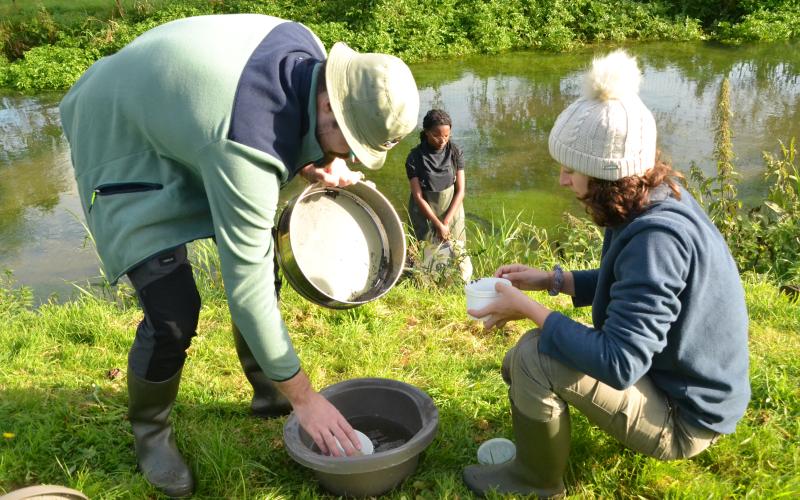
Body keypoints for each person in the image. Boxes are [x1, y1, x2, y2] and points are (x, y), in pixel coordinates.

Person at [58, 14, 419, 497]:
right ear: (329, 104)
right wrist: (307, 397)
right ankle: (151, 434)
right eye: (350, 146)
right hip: (119, 127)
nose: (350, 160)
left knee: (262, 256)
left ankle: (269, 393)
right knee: (173, 313)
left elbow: (282, 129)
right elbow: (243, 284)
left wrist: (320, 160)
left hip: (189, 116)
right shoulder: (245, 141)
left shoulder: (310, 51)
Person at [461, 50, 750, 497]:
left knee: (534, 358)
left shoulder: (658, 239)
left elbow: (619, 363)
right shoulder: (650, 197)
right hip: (676, 378)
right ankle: (543, 439)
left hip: (685, 418)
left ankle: (533, 483)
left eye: (570, 169)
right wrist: (551, 281)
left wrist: (529, 308)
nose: (562, 180)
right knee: (522, 360)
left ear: (604, 175)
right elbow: (630, 285)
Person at [405, 109, 472, 281]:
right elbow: (418, 196)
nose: (442, 140)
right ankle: (426, 284)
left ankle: (455, 284)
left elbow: (460, 191)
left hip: (452, 210)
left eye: (447, 135)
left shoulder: (455, 152)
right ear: (426, 132)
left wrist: (446, 222)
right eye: (436, 135)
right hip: (425, 212)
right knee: (426, 252)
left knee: (456, 251)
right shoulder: (414, 158)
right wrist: (437, 224)